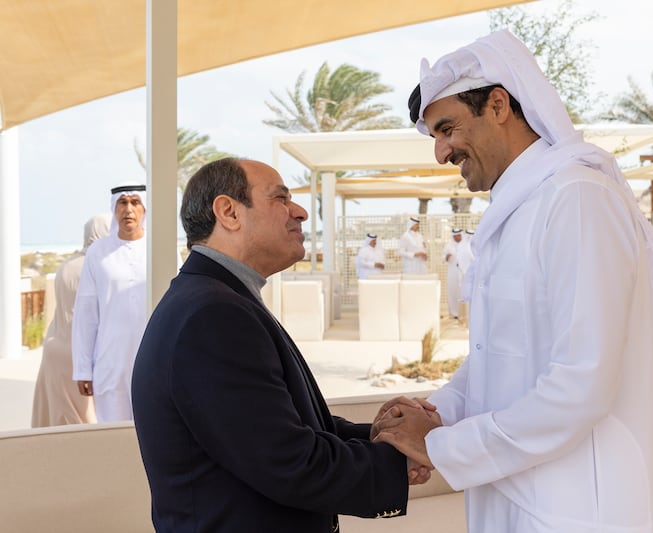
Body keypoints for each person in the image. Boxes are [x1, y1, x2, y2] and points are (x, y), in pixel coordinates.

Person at [374, 30, 653, 533]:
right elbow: (497, 355)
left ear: (498, 104)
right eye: (434, 136)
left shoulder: (577, 198)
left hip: (578, 507)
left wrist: (438, 445)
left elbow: (581, 385)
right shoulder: (515, 209)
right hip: (517, 493)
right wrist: (433, 410)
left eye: (447, 128)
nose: (440, 152)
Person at [131, 158, 421, 532]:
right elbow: (285, 461)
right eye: (281, 198)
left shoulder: (215, 299)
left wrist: (377, 435)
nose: (299, 212)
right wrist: (402, 457)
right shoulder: (213, 314)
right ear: (229, 212)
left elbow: (273, 422)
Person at [72, 184, 147, 422]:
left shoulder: (159, 249)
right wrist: (83, 369)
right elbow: (86, 314)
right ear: (114, 209)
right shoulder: (98, 252)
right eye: (122, 203)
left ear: (145, 208)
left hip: (152, 356)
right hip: (110, 360)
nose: (128, 209)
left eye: (135, 202)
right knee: (113, 433)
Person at [31, 214, 111, 427]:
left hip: (55, 347)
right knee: (85, 423)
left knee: (58, 418)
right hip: (81, 353)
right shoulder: (98, 266)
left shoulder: (66, 265)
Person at [441, 228, 463, 318]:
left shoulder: (465, 245)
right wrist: (446, 256)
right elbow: (442, 257)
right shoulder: (448, 246)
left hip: (462, 272)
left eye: (460, 235)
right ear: (453, 236)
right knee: (453, 292)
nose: (459, 237)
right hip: (452, 272)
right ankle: (454, 313)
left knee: (462, 292)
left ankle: (463, 312)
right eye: (457, 236)